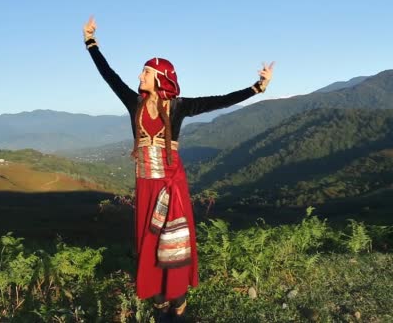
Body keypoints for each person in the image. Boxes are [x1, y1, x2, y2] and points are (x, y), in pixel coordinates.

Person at [83, 16, 273, 322]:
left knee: (174, 243)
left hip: (172, 188)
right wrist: (90, 42)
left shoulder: (179, 107)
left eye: (145, 71)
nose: (140, 75)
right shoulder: (135, 103)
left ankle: (180, 309)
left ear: (159, 77)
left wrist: (257, 87)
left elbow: (219, 101)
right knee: (150, 245)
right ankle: (161, 308)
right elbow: (109, 75)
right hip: (146, 187)